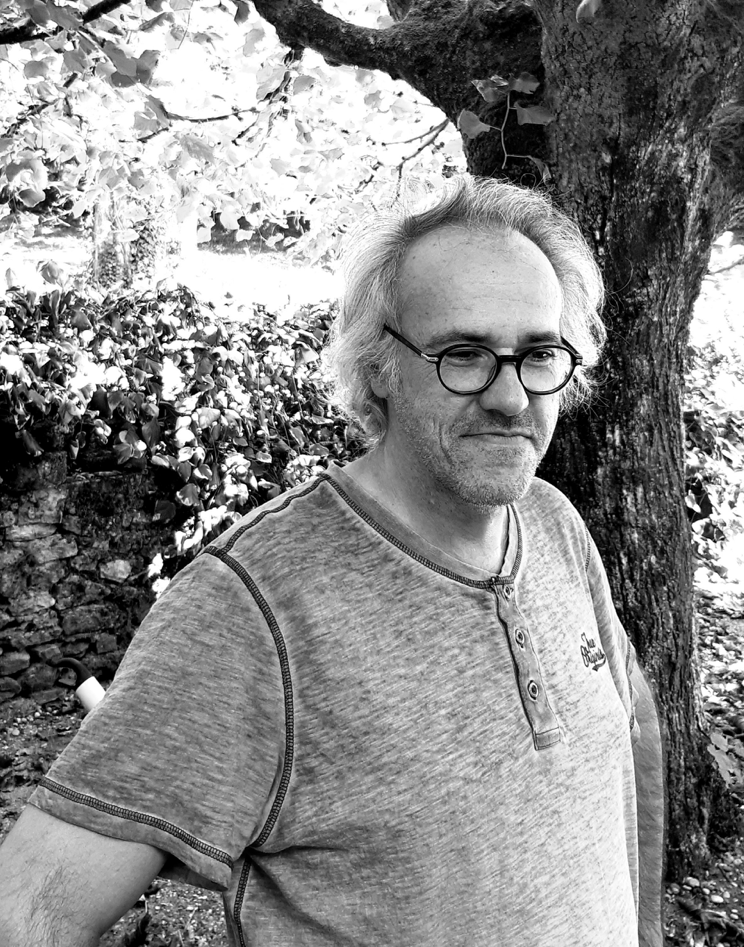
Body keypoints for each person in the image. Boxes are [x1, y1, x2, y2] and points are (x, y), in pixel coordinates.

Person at [0, 176, 664, 947]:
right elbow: (26, 910)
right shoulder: (252, 607)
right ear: (378, 364)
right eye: (464, 354)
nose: (511, 397)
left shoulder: (553, 522)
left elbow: (631, 728)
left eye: (539, 353)